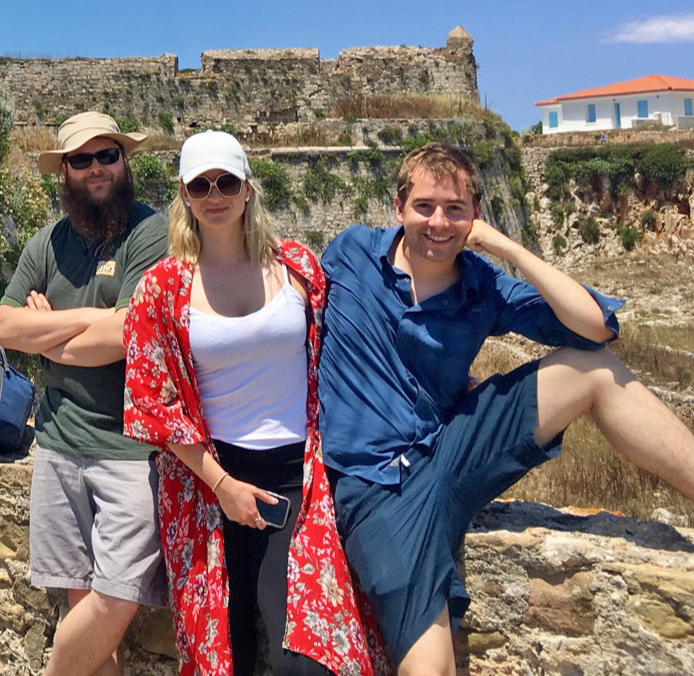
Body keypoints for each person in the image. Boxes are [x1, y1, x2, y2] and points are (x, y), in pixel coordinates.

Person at [318, 143, 694, 676]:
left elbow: (596, 327)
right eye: (425, 206)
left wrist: (506, 248)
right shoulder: (350, 254)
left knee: (593, 368)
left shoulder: (483, 284)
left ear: (475, 216)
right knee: (430, 666)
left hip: (453, 446)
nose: (439, 222)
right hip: (375, 485)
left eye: (455, 208)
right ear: (398, 206)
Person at [123, 131, 376, 676]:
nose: (215, 195)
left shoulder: (299, 268)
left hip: (296, 479)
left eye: (227, 182)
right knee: (220, 654)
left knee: (306, 660)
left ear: (247, 189)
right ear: (184, 195)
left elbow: (349, 350)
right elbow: (150, 403)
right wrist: (222, 484)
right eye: (200, 184)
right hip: (204, 487)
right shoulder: (161, 288)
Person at [0, 111, 170, 676]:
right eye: (81, 159)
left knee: (116, 598)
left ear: (125, 160)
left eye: (107, 155)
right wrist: (95, 320)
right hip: (58, 443)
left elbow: (127, 335)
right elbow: (6, 328)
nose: (96, 168)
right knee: (87, 617)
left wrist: (50, 337)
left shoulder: (153, 232)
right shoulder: (48, 241)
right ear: (64, 172)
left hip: (130, 450)